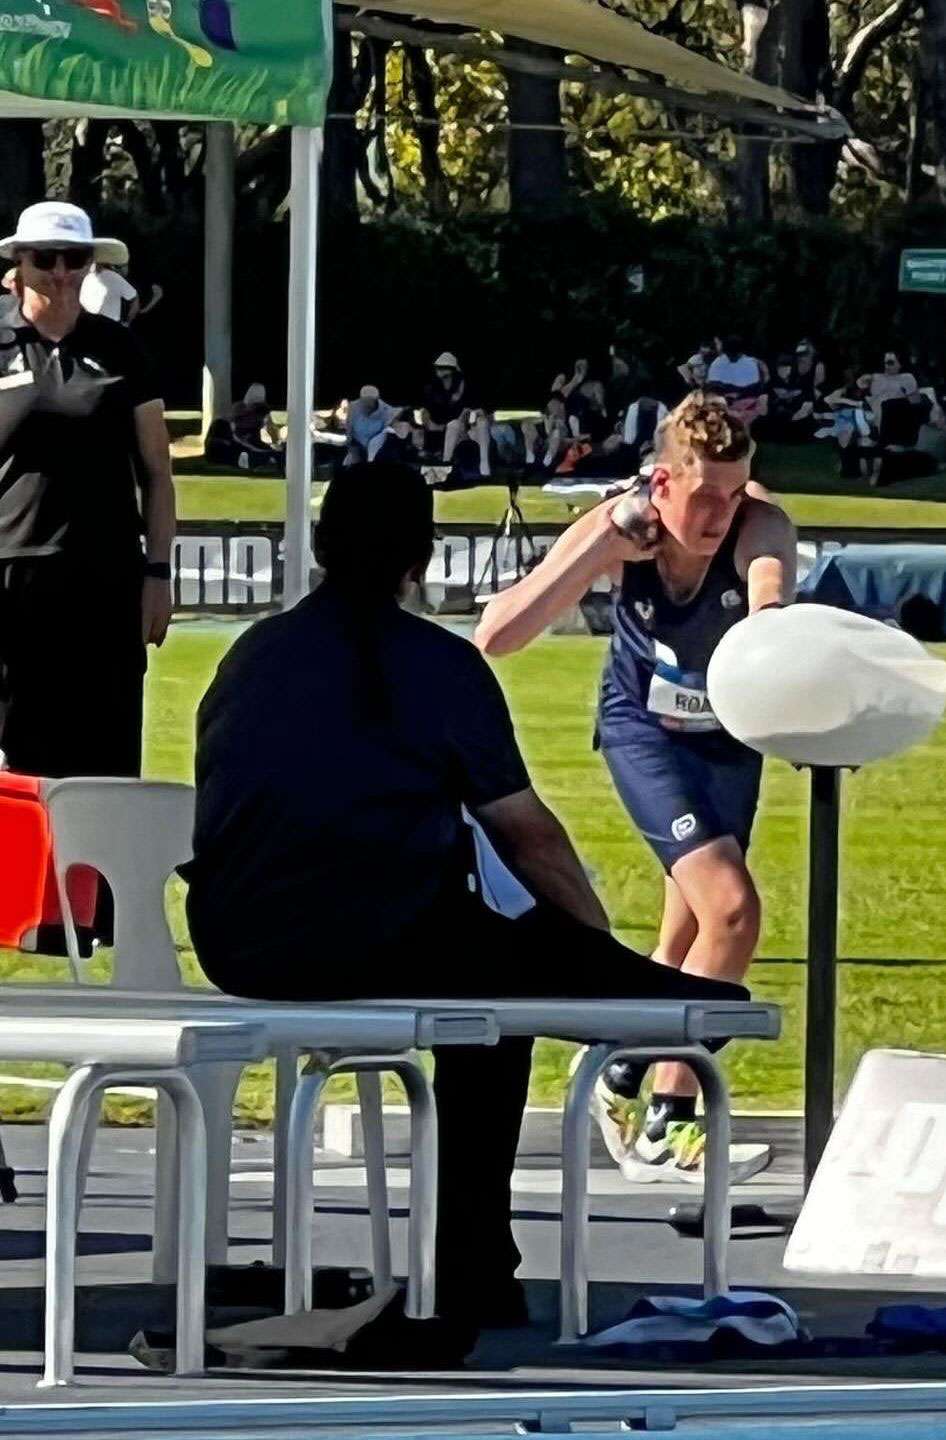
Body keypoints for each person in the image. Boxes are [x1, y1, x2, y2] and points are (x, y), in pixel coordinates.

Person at [185, 461, 748, 1347]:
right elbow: (527, 836)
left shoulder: (249, 656)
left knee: (489, 968)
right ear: (422, 557)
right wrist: (591, 944)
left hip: (236, 938)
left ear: (322, 545)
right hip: (373, 934)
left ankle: (482, 1254)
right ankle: (474, 1256)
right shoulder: (437, 665)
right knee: (499, 995)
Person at [476, 393, 797, 1178]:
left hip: (726, 734)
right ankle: (667, 1115)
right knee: (733, 911)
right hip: (644, 731)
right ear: (661, 482)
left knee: (686, 937)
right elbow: (498, 634)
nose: (720, 514)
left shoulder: (759, 524)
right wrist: (600, 547)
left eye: (734, 492)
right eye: (704, 495)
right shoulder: (627, 525)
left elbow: (768, 597)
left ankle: (620, 1071)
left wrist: (770, 629)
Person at [0, 200, 174, 782]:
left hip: (106, 583)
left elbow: (157, 472)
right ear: (20, 263)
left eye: (73, 259)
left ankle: (99, 852)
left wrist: (158, 573)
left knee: (105, 764)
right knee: (17, 767)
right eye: (45, 257)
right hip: (11, 579)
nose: (59, 271)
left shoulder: (123, 350)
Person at [706, 337, 768, 425]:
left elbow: (759, 386)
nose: (733, 358)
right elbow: (713, 389)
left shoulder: (753, 363)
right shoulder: (717, 364)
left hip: (748, 400)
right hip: (727, 403)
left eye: (735, 354)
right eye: (730, 354)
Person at [419, 352, 467, 460]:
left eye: (442, 367)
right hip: (435, 423)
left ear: (451, 370)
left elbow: (463, 408)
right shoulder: (432, 386)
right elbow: (427, 406)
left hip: (455, 424)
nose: (438, 370)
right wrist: (427, 420)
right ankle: (432, 450)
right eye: (437, 367)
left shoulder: (460, 384)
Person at [344, 384, 398, 466]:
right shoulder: (353, 406)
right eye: (363, 401)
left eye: (369, 402)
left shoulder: (386, 410)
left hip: (377, 446)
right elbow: (349, 428)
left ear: (376, 400)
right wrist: (351, 449)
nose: (365, 405)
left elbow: (389, 428)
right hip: (357, 444)